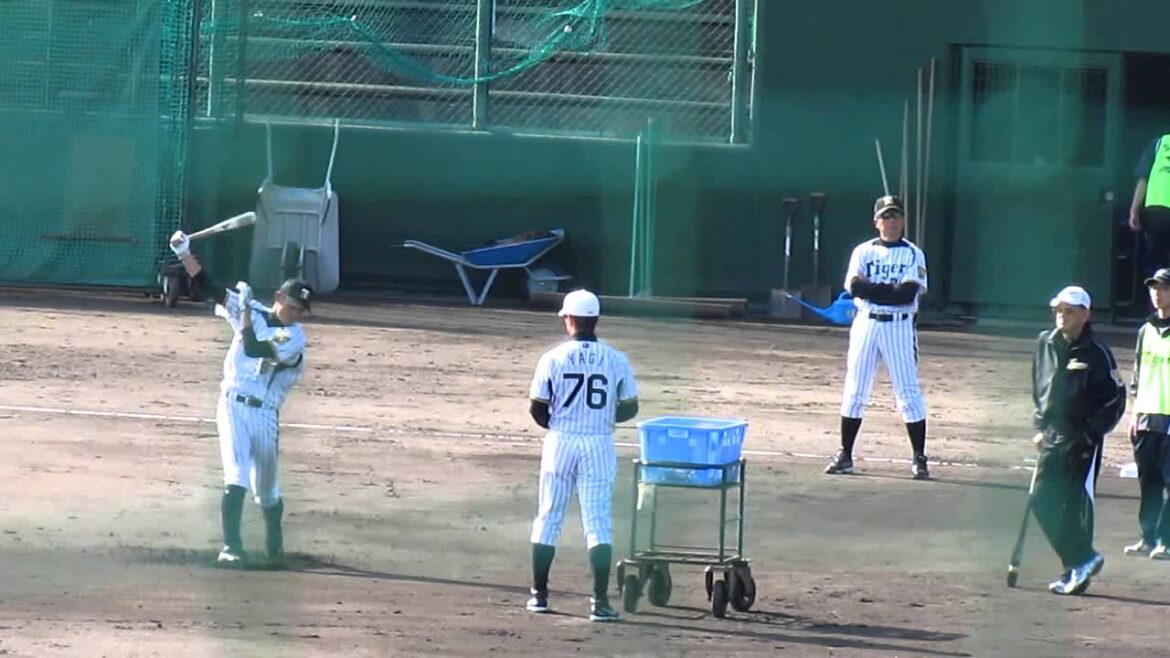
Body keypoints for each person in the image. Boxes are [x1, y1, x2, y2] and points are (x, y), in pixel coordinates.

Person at [168, 230, 314, 567]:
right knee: (235, 475)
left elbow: (254, 347)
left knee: (267, 492)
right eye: (292, 306)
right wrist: (184, 253)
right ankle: (231, 547)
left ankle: (274, 545)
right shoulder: (254, 310)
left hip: (266, 415)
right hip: (233, 404)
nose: (295, 314)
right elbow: (209, 288)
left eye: (300, 310)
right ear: (279, 296)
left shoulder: (294, 338)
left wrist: (245, 313)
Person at [526, 289, 639, 622]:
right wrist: (602, 419)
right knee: (598, 521)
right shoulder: (616, 359)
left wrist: (560, 424)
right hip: (598, 444)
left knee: (548, 516)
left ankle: (539, 595)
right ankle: (600, 602)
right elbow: (630, 407)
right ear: (596, 319)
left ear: (570, 319)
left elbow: (537, 409)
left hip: (560, 442)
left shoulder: (552, 358)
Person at [825, 195, 931, 479]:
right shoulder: (863, 251)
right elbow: (855, 287)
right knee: (855, 389)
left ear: (903, 220)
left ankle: (919, 458)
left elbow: (906, 294)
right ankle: (845, 455)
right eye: (886, 216)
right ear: (876, 222)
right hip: (866, 324)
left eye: (895, 216)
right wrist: (887, 290)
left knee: (908, 391)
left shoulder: (913, 253)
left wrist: (873, 289)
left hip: (899, 326)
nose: (891, 221)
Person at [1029, 285, 1125, 595]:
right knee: (1041, 500)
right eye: (1058, 310)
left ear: (1085, 315)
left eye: (1069, 311)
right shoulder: (1045, 343)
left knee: (1071, 506)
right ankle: (1082, 559)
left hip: (1081, 438)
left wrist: (1091, 433)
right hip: (1052, 435)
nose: (1062, 316)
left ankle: (1075, 567)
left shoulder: (1097, 352)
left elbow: (1116, 399)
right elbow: (1039, 388)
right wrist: (1040, 426)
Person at [1125, 268, 1170, 559]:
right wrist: (1134, 413)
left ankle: (1167, 541)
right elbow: (1138, 375)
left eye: (1164, 288)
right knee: (1149, 483)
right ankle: (1148, 538)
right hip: (1146, 418)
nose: (1157, 293)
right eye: (1154, 288)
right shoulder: (1146, 331)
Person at [1128, 134, 1170, 277]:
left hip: (1155, 212)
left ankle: (1155, 289)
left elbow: (1143, 179)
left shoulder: (1159, 144)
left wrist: (1134, 210)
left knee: (1155, 263)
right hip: (1156, 214)